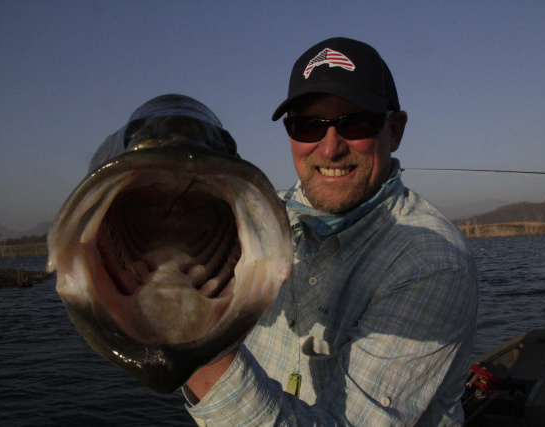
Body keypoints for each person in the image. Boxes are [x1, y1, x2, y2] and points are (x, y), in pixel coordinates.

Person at [184, 37, 478, 426]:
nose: (329, 148)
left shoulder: (431, 262)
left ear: (395, 130)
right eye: (308, 126)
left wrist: (188, 337)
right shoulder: (255, 219)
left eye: (355, 121)